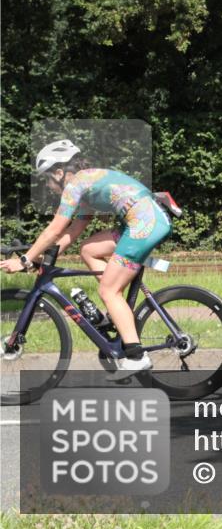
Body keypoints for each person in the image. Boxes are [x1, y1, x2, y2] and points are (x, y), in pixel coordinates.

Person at [0, 139, 172, 378]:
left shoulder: (76, 184)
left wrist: (25, 260)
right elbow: (72, 232)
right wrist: (39, 258)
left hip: (144, 223)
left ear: (60, 173)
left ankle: (136, 356)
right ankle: (115, 315)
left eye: (48, 179)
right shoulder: (86, 185)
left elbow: (55, 229)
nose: (49, 186)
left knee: (108, 291)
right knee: (89, 249)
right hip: (143, 220)